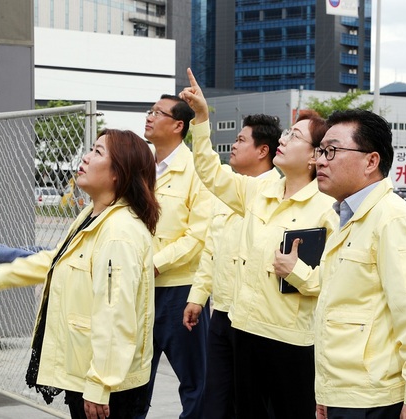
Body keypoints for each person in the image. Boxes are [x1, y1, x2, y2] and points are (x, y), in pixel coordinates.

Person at [0, 129, 160, 419]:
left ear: (119, 172)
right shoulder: (93, 215)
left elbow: (115, 315)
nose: (85, 157)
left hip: (108, 387)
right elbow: (56, 259)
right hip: (87, 370)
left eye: (97, 152)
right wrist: (1, 276)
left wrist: (98, 384)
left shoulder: (119, 233)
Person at [180, 68, 338, 419]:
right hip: (244, 330)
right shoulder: (258, 191)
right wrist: (202, 118)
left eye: (294, 136)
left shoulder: (328, 208)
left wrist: (296, 271)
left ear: (315, 156)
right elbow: (209, 171)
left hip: (291, 340)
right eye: (286, 133)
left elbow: (337, 282)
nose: (283, 139)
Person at [313, 109, 406, 419]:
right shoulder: (349, 219)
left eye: (332, 150)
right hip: (346, 394)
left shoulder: (393, 221)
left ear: (371, 161)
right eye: (320, 150)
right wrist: (326, 391)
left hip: (374, 400)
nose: (320, 160)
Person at [183, 114, 282, 419]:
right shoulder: (228, 194)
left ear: (262, 150)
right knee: (217, 397)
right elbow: (212, 248)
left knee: (250, 401)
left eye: (241, 140)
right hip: (223, 311)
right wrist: (198, 296)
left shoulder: (277, 195)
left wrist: (201, 119)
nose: (234, 146)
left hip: (255, 317)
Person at [136, 94, 212, 419]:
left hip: (180, 293)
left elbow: (198, 236)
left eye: (157, 112)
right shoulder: (139, 169)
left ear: (179, 125)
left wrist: (156, 264)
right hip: (138, 291)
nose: (149, 117)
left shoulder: (198, 170)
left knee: (196, 383)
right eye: (149, 111)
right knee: (134, 379)